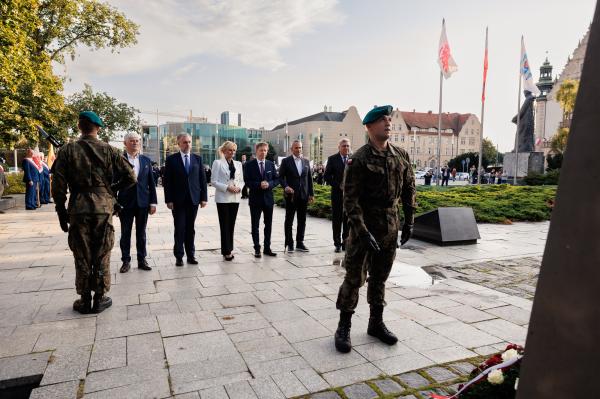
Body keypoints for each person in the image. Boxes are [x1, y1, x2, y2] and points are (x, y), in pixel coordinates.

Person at [334, 105, 416, 353]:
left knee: (380, 277)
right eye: (382, 120)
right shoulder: (359, 159)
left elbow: (410, 188)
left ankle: (376, 323)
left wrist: (409, 220)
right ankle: (343, 326)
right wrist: (361, 230)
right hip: (364, 230)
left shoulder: (400, 155)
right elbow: (350, 200)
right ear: (369, 127)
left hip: (390, 227)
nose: (388, 123)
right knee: (354, 278)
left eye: (389, 119)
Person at [52, 111, 136, 314]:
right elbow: (131, 177)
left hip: (78, 208)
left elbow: (58, 186)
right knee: (102, 252)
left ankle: (84, 298)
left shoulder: (67, 151)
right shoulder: (110, 150)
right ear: (97, 128)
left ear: (79, 127)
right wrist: (111, 189)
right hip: (103, 208)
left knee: (81, 253)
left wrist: (61, 212)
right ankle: (99, 297)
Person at [163, 133, 208, 266]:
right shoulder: (171, 160)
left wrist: (203, 198)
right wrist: (168, 200)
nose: (187, 144)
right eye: (184, 142)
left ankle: (191, 255)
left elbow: (202, 180)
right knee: (180, 228)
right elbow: (167, 181)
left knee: (190, 228)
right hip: (178, 200)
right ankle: (179, 256)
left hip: (193, 199)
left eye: (189, 142)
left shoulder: (197, 159)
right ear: (178, 144)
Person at [117, 132, 158, 273]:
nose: (135, 143)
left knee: (141, 233)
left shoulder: (146, 160)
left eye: (137, 141)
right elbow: (112, 182)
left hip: (143, 203)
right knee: (125, 233)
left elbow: (151, 183)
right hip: (125, 203)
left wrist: (153, 203)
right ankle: (126, 261)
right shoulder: (118, 160)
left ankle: (142, 259)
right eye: (132, 141)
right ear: (125, 143)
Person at [278, 140, 314, 253]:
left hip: (303, 195)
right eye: (296, 148)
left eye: (300, 147)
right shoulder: (286, 161)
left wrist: (311, 194)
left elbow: (309, 179)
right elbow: (280, 177)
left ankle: (300, 243)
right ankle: (289, 243)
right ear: (291, 149)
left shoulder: (306, 161)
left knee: (302, 220)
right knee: (289, 220)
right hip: (291, 196)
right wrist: (285, 186)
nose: (298, 149)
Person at [244, 142, 279, 258]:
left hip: (268, 199)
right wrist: (259, 184)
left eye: (265, 150)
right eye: (261, 150)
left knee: (268, 224)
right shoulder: (249, 165)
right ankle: (257, 248)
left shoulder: (270, 164)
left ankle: (267, 248)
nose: (263, 152)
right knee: (255, 225)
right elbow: (247, 182)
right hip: (255, 200)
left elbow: (276, 179)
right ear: (256, 150)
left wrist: (269, 184)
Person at [211, 141, 244, 261]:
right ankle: (226, 251)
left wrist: (239, 187)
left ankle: (229, 248)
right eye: (230, 150)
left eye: (234, 150)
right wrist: (227, 187)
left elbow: (242, 180)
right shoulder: (217, 163)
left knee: (232, 224)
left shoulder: (239, 164)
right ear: (224, 151)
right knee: (224, 225)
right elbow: (213, 181)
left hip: (235, 197)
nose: (232, 152)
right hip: (223, 198)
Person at [324, 138, 351, 253]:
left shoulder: (353, 158)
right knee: (337, 220)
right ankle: (337, 243)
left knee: (347, 220)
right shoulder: (332, 159)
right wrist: (337, 185)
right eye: (344, 146)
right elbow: (327, 176)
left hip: (350, 196)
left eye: (348, 146)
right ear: (339, 147)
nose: (346, 148)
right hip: (337, 195)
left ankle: (346, 242)